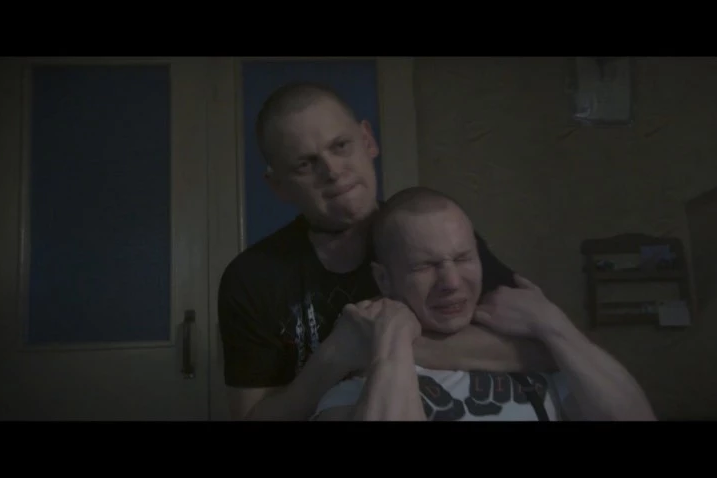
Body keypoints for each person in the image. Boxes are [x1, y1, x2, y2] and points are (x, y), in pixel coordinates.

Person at [218, 81, 556, 421]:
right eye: (306, 164)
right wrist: (333, 357)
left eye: (341, 146)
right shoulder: (252, 278)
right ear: (278, 186)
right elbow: (251, 416)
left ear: (368, 140)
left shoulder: (437, 235)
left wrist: (389, 345)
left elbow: (544, 346)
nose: (333, 171)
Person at [311, 187, 657, 421]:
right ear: (385, 279)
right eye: (425, 266)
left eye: (463, 258)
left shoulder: (534, 360)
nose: (451, 282)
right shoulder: (358, 388)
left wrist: (552, 323)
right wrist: (391, 341)